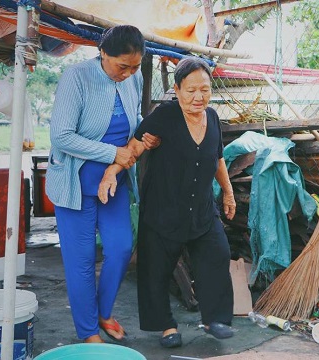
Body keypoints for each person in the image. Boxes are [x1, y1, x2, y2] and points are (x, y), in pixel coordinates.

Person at [98, 57, 237, 348]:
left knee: (217, 254)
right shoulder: (165, 116)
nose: (199, 97)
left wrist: (228, 192)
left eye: (205, 89)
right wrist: (112, 172)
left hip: (200, 207)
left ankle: (216, 319)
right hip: (164, 206)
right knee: (155, 268)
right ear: (176, 89)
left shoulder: (212, 118)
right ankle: (165, 327)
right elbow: (133, 148)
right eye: (191, 90)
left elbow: (218, 158)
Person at [45, 25, 159, 344]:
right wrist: (114, 152)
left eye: (135, 66)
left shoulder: (134, 77)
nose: (129, 73)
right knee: (81, 262)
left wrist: (141, 137)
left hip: (115, 180)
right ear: (103, 54)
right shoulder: (77, 77)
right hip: (74, 183)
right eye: (123, 65)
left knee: (121, 248)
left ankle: (103, 312)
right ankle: (88, 331)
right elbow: (62, 137)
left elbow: (134, 122)